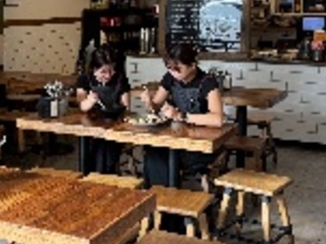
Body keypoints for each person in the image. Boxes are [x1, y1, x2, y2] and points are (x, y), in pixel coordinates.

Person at [139, 43, 225, 188]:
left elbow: (217, 119)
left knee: (166, 154)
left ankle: (169, 202)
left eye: (178, 69)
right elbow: (155, 107)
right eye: (170, 69)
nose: (173, 73)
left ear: (192, 65)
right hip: (177, 136)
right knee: (153, 150)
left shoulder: (207, 82)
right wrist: (149, 102)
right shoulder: (170, 78)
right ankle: (158, 200)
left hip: (201, 143)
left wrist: (181, 115)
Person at [75, 45, 130, 174]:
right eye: (103, 72)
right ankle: (94, 175)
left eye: (111, 70)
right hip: (90, 125)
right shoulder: (84, 80)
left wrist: (123, 109)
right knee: (97, 145)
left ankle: (102, 176)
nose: (108, 75)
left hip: (115, 124)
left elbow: (126, 106)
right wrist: (90, 101)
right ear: (94, 69)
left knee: (106, 145)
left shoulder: (120, 80)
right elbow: (81, 105)